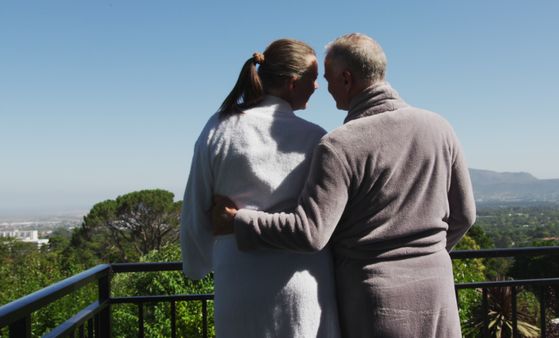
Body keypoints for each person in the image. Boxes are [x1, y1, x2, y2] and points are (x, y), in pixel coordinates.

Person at [212, 33, 476, 338]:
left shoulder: (341, 144)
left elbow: (310, 232)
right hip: (439, 292)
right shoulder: (439, 128)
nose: (324, 88)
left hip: (376, 301)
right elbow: (464, 216)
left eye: (328, 79)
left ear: (347, 78)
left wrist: (239, 221)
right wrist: (427, 259)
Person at [180, 38, 341, 338]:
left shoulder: (220, 127)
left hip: (238, 284)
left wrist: (196, 265)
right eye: (313, 78)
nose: (318, 86)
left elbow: (196, 205)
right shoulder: (316, 139)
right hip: (301, 287)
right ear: (292, 84)